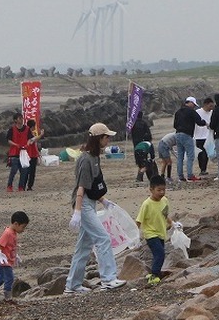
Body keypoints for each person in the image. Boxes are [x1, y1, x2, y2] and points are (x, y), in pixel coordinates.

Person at [65, 123, 126, 293]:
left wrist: (103, 201)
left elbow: (92, 186)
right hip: (82, 204)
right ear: (99, 138)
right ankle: (108, 279)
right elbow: (81, 187)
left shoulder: (94, 157)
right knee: (103, 238)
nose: (109, 139)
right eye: (107, 137)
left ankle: (72, 285)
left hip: (89, 202)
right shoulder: (85, 159)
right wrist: (77, 212)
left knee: (84, 246)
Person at [0, 210, 30, 303]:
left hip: (8, 260)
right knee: (9, 278)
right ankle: (8, 297)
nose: (23, 230)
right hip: (4, 261)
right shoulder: (8, 233)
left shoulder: (13, 233)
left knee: (0, 279)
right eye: (23, 227)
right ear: (16, 224)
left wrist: (15, 255)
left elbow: (11, 246)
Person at [135, 176, 173, 286]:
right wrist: (134, 236)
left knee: (157, 254)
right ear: (151, 190)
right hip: (150, 234)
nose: (162, 193)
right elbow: (139, 220)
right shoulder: (146, 204)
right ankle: (155, 275)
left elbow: (165, 214)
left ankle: (154, 271)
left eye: (163, 190)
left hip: (161, 233)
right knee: (160, 254)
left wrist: (173, 224)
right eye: (159, 190)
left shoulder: (164, 200)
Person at [173, 97, 206, 182]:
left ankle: (180, 175)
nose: (194, 106)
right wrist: (205, 123)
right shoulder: (191, 112)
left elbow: (175, 125)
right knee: (190, 156)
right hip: (187, 135)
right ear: (190, 103)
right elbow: (199, 122)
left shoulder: (178, 112)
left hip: (178, 134)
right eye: (194, 105)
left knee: (180, 156)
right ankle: (190, 175)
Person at [5, 113, 32, 192]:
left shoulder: (27, 129)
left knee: (24, 171)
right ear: (15, 120)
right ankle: (9, 186)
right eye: (19, 118)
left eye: (22, 118)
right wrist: (16, 145)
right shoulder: (12, 129)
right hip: (14, 153)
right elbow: (9, 140)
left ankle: (21, 187)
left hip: (23, 152)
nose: (21, 120)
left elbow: (30, 139)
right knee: (13, 170)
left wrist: (27, 144)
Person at [130, 111, 154, 182]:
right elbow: (149, 135)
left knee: (140, 162)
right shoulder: (144, 123)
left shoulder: (133, 124)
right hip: (143, 146)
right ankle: (140, 176)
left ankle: (140, 177)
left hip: (136, 145)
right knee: (145, 163)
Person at [194, 96, 214, 177]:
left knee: (206, 154)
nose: (211, 108)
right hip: (198, 136)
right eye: (210, 106)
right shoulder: (197, 112)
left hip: (208, 136)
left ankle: (203, 169)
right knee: (201, 154)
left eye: (212, 106)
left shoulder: (212, 113)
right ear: (205, 104)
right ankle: (202, 169)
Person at [23, 119, 44, 191]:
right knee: (31, 172)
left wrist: (38, 152)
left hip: (30, 154)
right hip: (30, 155)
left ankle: (23, 186)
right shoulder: (28, 133)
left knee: (27, 171)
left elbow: (34, 143)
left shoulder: (27, 132)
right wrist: (41, 135)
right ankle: (28, 186)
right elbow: (32, 141)